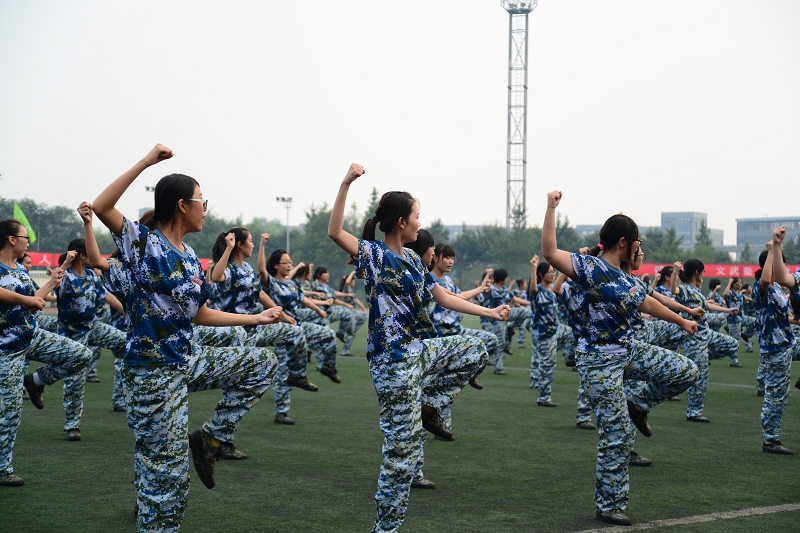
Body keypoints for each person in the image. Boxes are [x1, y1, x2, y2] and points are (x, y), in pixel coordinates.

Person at [92, 144, 283, 532]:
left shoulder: (189, 255)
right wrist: (147, 162)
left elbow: (199, 314)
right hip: (152, 374)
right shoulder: (145, 243)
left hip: (184, 362)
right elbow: (102, 205)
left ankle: (211, 439)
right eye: (202, 200)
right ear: (182, 205)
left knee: (263, 361)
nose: (205, 207)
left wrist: (255, 317)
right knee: (169, 481)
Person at [327, 163, 509, 533]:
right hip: (392, 363)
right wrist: (346, 183)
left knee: (479, 348)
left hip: (419, 352)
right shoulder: (374, 255)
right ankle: (386, 529)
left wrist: (487, 309)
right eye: (416, 216)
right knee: (402, 455)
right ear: (400, 222)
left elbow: (442, 296)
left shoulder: (413, 259)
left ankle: (430, 404)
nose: (418, 223)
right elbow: (333, 230)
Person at [541, 190, 699, 527]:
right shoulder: (589, 267)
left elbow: (649, 304)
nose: (640, 249)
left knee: (686, 370)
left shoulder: (629, 277)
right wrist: (551, 208)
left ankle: (638, 405)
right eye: (638, 243)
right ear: (624, 242)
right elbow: (550, 252)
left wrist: (681, 320)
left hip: (630, 350)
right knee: (614, 433)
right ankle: (610, 504)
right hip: (599, 360)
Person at [0, 219, 93, 486]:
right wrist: (24, 299)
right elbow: (24, 299)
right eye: (24, 236)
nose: (28, 241)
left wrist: (52, 282)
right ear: (11, 239)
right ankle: (3, 468)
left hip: (32, 335)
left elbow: (34, 300)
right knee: (10, 411)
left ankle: (36, 380)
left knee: (81, 355)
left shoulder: (18, 268)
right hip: (7, 348)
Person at [210, 228, 318, 427]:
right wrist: (229, 248)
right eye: (250, 241)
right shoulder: (229, 267)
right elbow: (216, 277)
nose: (252, 244)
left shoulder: (248, 268)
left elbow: (260, 294)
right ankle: (221, 436)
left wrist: (283, 315)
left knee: (295, 333)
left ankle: (297, 375)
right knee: (239, 386)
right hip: (237, 332)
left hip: (255, 327)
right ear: (239, 245)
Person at [54, 239, 127, 441]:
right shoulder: (65, 276)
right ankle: (72, 425)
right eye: (90, 253)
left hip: (92, 326)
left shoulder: (90, 276)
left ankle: (124, 390)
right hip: (71, 334)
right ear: (82, 255)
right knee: (75, 381)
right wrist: (65, 263)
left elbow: (107, 297)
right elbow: (55, 282)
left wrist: (128, 312)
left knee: (125, 341)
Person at [262, 250, 341, 384]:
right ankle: (283, 403)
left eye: (290, 263)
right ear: (276, 265)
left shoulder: (292, 284)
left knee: (329, 334)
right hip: (280, 329)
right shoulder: (271, 283)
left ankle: (327, 368)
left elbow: (302, 298)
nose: (289, 265)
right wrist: (262, 245)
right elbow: (262, 270)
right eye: (285, 263)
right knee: (283, 373)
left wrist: (318, 309)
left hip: (296, 324)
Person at [676, 260, 740, 422]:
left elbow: (707, 307)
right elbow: (672, 291)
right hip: (694, 338)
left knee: (733, 344)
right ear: (697, 272)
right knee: (701, 376)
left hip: (707, 333)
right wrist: (676, 271)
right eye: (703, 272)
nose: (704, 276)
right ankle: (693, 411)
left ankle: (704, 357)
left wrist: (728, 310)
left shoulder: (696, 291)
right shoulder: (683, 289)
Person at [751, 238, 794, 455]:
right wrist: (771, 249)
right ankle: (770, 440)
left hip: (787, 344)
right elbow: (766, 278)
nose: (782, 268)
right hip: (775, 349)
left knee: (780, 392)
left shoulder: (778, 289)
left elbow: (785, 316)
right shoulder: (762, 288)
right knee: (776, 395)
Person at [527, 255, 572, 407]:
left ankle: (570, 356)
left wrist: (565, 270)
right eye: (549, 272)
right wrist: (534, 267)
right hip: (545, 335)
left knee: (574, 333)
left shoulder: (552, 291)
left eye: (554, 272)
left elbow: (560, 283)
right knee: (548, 366)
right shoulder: (538, 290)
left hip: (556, 329)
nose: (552, 274)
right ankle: (543, 397)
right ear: (541, 275)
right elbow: (533, 287)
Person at [722, 277, 754, 365]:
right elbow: (725, 293)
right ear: (734, 284)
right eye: (739, 283)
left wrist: (754, 300)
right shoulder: (730, 293)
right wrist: (730, 282)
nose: (741, 284)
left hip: (742, 318)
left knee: (756, 322)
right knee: (735, 341)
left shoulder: (739, 294)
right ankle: (733, 361)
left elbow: (747, 299)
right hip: (733, 320)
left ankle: (746, 335)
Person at [339, 270, 368, 356]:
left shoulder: (350, 290)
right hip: (348, 313)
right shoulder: (346, 289)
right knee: (350, 334)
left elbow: (356, 300)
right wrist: (353, 272)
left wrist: (364, 309)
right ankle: (344, 350)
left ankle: (346, 331)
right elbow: (347, 281)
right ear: (351, 280)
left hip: (353, 312)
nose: (354, 282)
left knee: (363, 316)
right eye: (353, 280)